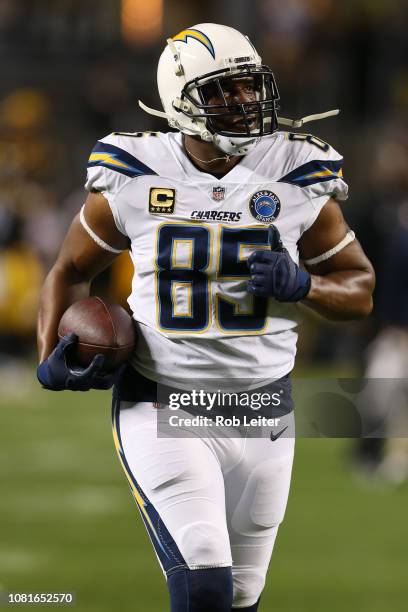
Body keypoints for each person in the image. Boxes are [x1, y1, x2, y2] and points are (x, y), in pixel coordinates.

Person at [37, 23, 375, 612]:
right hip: (164, 402)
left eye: (249, 87)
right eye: (223, 92)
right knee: (206, 588)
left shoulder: (296, 170)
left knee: (241, 596)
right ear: (181, 101)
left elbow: (361, 289)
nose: (245, 103)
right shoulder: (134, 173)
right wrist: (49, 359)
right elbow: (68, 269)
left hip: (265, 410)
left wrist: (306, 285)